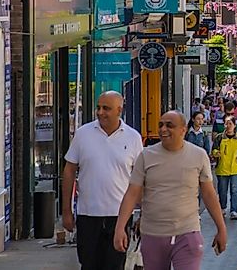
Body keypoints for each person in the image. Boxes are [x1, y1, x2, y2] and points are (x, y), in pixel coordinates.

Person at [114, 111, 227, 269]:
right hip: (153, 234)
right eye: (161, 125)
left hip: (187, 233)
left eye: (169, 125)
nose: (163, 129)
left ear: (183, 130)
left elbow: (209, 194)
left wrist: (221, 229)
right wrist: (120, 228)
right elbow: (132, 194)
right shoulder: (146, 156)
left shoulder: (199, 155)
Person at [62, 91, 143, 270]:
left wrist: (144, 213)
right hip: (88, 215)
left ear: (119, 110)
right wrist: (66, 211)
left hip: (120, 216)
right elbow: (69, 172)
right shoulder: (83, 134)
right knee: (89, 265)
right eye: (98, 107)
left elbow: (140, 179)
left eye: (106, 108)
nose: (100, 112)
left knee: (115, 265)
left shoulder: (133, 137)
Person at [211, 115, 237, 219]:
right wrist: (216, 153)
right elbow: (214, 149)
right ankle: (222, 208)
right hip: (222, 168)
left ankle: (234, 210)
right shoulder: (219, 137)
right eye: (226, 123)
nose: (227, 126)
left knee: (234, 190)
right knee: (222, 190)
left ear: (234, 125)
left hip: (235, 168)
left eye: (230, 123)